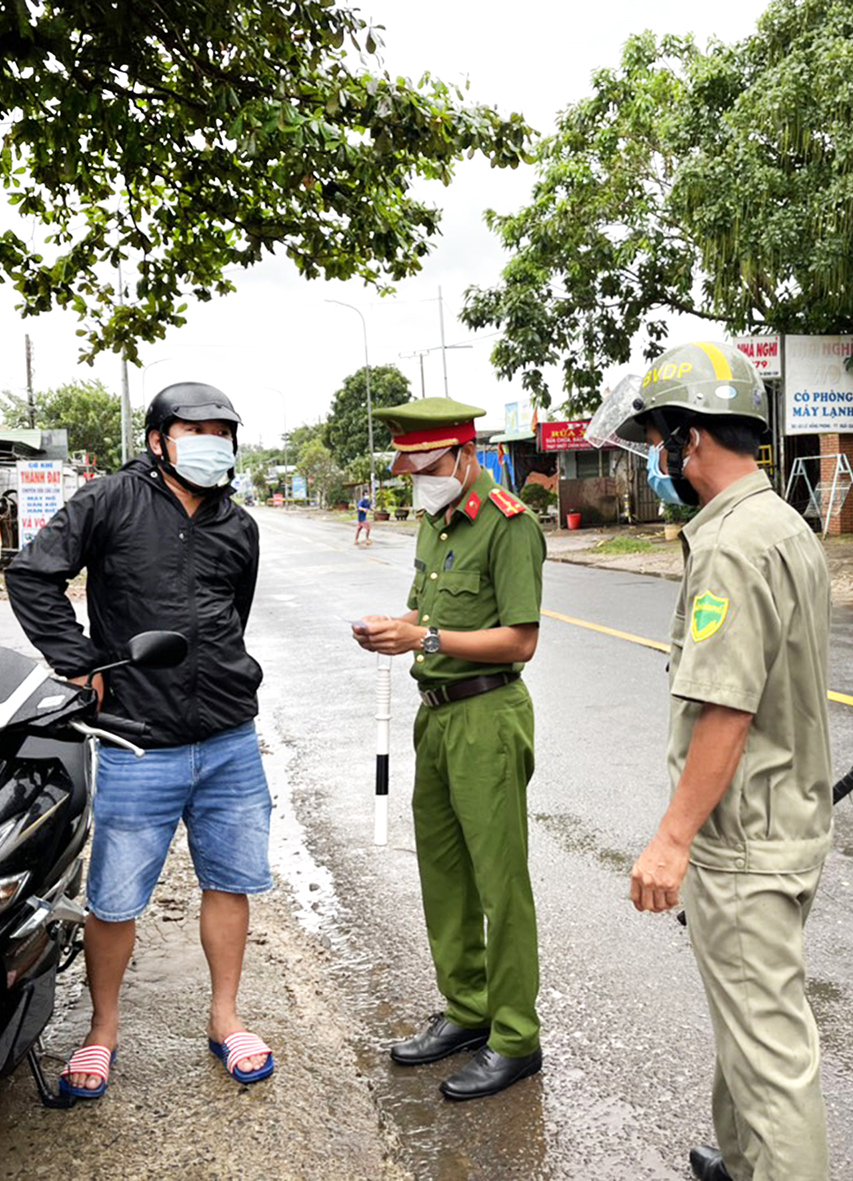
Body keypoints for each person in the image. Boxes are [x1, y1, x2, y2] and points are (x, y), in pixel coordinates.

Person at [5, 381, 275, 1100]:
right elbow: (33, 576)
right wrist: (81, 660)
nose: (211, 442)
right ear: (159, 439)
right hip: (136, 740)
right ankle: (102, 1030)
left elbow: (232, 614)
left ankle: (226, 1017)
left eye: (223, 430)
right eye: (196, 429)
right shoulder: (108, 500)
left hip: (228, 737)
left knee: (231, 881)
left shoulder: (239, 526)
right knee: (115, 898)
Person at [618, 342, 833, 1181]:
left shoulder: (730, 547)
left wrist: (672, 839)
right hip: (787, 821)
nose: (657, 461)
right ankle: (743, 1161)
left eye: (661, 440)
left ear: (693, 441)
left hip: (746, 839)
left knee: (773, 1056)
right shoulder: (782, 524)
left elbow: (726, 706)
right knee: (747, 1016)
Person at [352, 396, 547, 1102]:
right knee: (444, 872)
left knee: (501, 884)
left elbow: (520, 639)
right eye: (409, 467)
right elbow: (425, 614)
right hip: (434, 717)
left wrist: (425, 639)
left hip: (488, 715)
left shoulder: (509, 524)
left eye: (427, 465)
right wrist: (392, 626)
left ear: (464, 455)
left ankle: (516, 1035)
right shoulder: (436, 525)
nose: (417, 478)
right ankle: (468, 1009)